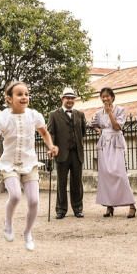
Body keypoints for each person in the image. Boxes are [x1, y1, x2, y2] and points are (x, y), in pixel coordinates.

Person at [0, 81, 60, 251]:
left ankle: (27, 233)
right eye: (19, 94)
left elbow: (45, 133)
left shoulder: (34, 115)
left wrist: (51, 146)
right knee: (16, 196)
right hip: (9, 164)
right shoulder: (1, 118)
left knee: (34, 200)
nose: (24, 97)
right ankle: (8, 224)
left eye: (26, 94)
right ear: (9, 99)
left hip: (30, 163)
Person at [90, 87, 136, 218]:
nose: (105, 98)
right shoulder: (98, 113)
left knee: (120, 174)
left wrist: (110, 113)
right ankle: (109, 206)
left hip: (116, 143)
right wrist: (100, 131)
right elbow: (93, 124)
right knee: (105, 174)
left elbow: (117, 127)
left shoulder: (120, 110)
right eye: (103, 96)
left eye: (107, 96)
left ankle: (132, 204)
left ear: (112, 97)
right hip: (104, 144)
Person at [47, 87, 87, 219]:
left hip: (77, 153)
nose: (70, 100)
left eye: (72, 98)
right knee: (61, 182)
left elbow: (83, 132)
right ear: (62, 99)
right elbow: (50, 133)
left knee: (77, 182)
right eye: (67, 98)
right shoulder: (54, 114)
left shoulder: (80, 114)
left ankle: (78, 208)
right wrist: (51, 147)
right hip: (61, 153)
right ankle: (61, 209)